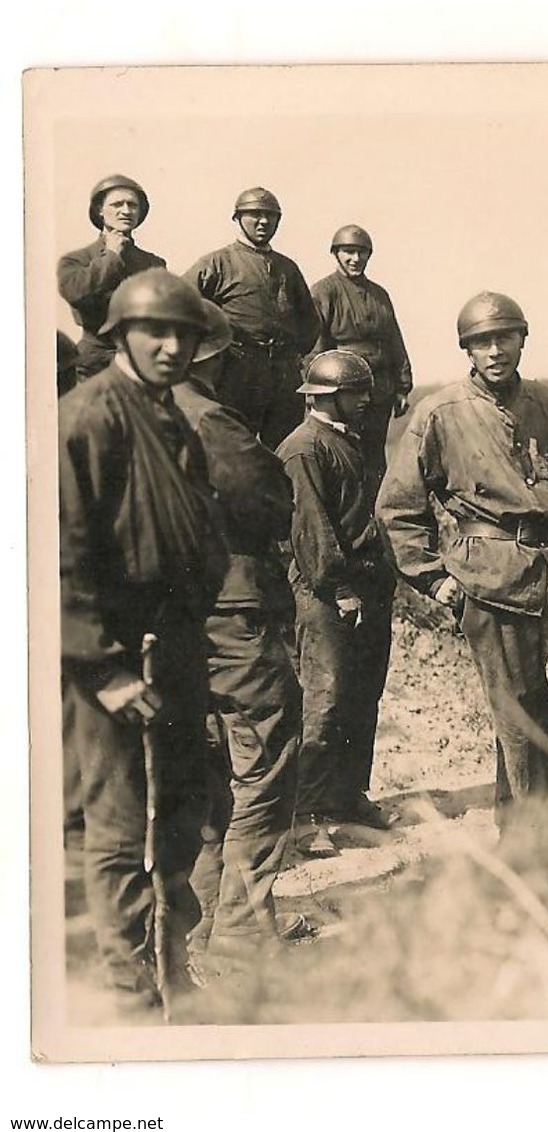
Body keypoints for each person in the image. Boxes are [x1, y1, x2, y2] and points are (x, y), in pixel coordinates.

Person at [378, 293, 548, 834]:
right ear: (467, 348)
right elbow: (397, 509)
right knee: (520, 721)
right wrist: (435, 580)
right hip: (490, 580)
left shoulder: (546, 402)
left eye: (504, 338)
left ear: (522, 341)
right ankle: (527, 845)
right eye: (482, 341)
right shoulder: (438, 413)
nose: (495, 350)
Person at [59, 270, 226, 1015]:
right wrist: (102, 666)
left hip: (178, 644)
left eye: (183, 335)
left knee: (182, 810)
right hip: (117, 657)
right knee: (123, 826)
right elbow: (61, 553)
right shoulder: (89, 417)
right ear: (121, 334)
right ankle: (131, 998)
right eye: (154, 332)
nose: (169, 347)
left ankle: (172, 969)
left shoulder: (171, 418)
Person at [173, 299, 311, 959]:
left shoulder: (118, 412)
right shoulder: (206, 417)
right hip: (233, 613)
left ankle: (197, 921)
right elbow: (268, 498)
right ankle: (242, 928)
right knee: (264, 762)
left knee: (197, 762)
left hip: (168, 619)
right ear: (213, 356)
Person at [276, 351, 397, 835]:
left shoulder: (351, 441)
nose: (367, 400)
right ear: (328, 395)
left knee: (361, 696)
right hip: (326, 593)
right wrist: (341, 588)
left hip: (365, 587)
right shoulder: (303, 449)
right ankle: (306, 814)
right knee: (324, 702)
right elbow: (312, 532)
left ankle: (347, 797)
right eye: (356, 392)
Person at [184, 187, 321, 449]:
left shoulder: (287, 268)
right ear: (237, 218)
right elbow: (179, 301)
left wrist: (292, 356)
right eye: (254, 215)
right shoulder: (217, 262)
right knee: (234, 448)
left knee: (285, 450)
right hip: (237, 372)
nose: (263, 222)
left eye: (270, 216)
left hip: (283, 376)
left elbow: (310, 321)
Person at [309, 224, 414, 494]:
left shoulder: (380, 294)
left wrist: (403, 386)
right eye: (348, 252)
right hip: (342, 392)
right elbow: (315, 344)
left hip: (380, 389)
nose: (355, 259)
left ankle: (376, 514)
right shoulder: (324, 291)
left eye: (362, 253)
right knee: (344, 452)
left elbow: (394, 340)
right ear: (336, 254)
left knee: (375, 455)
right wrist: (320, 391)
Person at [57, 175, 167, 383]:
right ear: (100, 210)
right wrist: (112, 256)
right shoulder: (75, 260)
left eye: (132, 205)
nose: (126, 211)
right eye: (117, 204)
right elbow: (78, 292)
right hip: (93, 365)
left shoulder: (154, 263)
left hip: (139, 365)